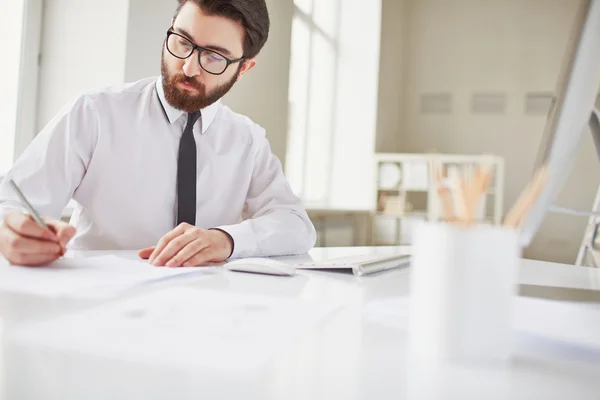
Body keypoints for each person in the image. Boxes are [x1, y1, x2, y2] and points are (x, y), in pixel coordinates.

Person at [0, 0, 316, 267]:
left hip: (207, 311)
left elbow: (296, 225)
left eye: (214, 57)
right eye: (182, 42)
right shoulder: (95, 113)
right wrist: (11, 231)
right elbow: (12, 204)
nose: (189, 67)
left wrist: (225, 240)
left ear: (244, 68)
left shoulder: (247, 140)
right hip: (98, 306)